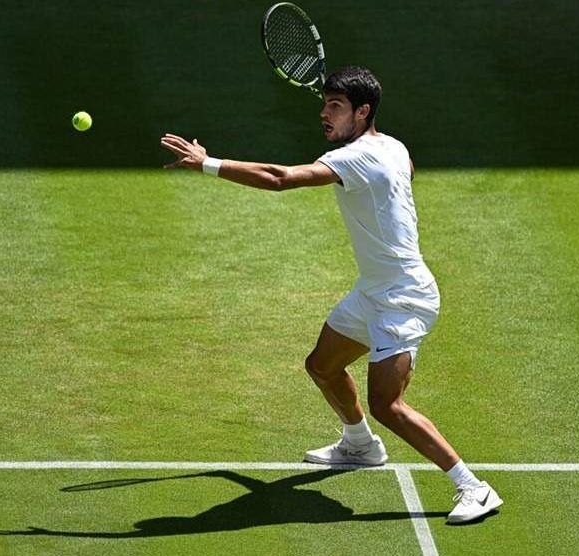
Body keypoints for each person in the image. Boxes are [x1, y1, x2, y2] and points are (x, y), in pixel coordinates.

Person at [160, 66, 502, 524]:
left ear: (363, 112)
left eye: (336, 107)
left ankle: (473, 487)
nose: (324, 114)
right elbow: (407, 174)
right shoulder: (394, 147)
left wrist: (207, 162)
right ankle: (360, 445)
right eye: (324, 104)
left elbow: (280, 177)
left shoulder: (356, 158)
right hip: (375, 290)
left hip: (403, 298)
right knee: (321, 364)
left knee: (388, 405)